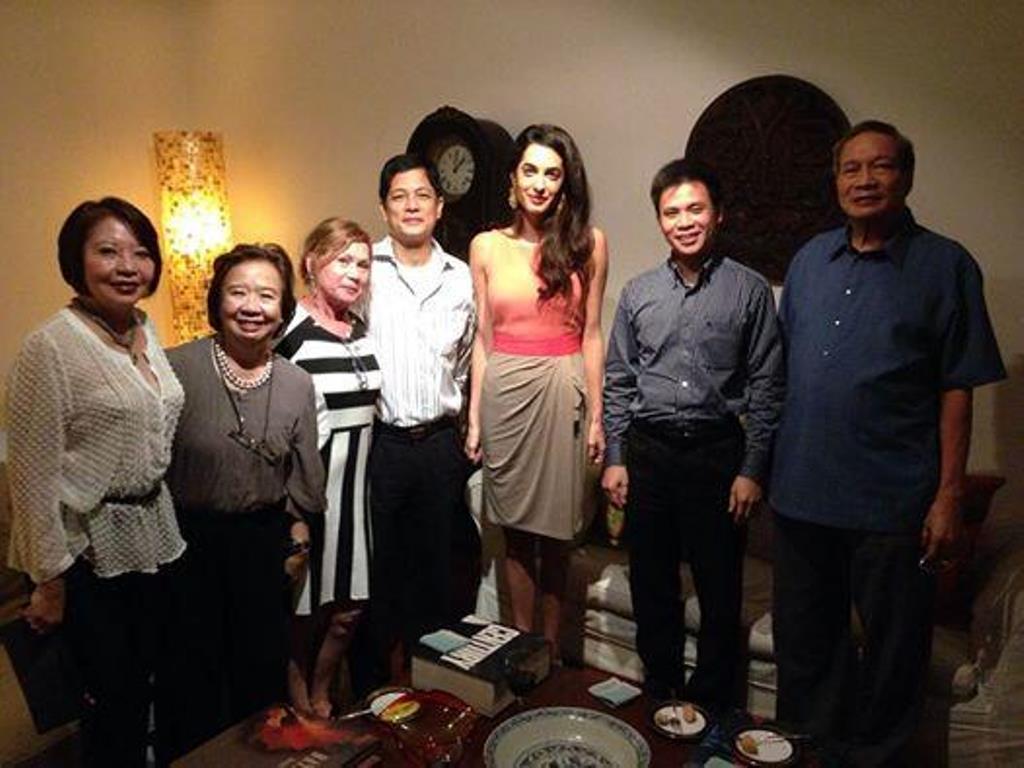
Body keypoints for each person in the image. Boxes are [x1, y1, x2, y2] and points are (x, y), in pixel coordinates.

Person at [770, 120, 1006, 766]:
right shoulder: (809, 261)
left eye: (881, 166)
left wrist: (949, 495)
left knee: (895, 656)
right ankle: (805, 754)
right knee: (805, 647)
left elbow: (957, 387)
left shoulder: (947, 266)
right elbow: (785, 374)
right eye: (851, 168)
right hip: (801, 495)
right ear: (836, 181)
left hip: (892, 503)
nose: (865, 180)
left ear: (906, 177)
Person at [6, 197, 184, 766]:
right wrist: (48, 581)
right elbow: (31, 475)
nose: (127, 266)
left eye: (140, 253)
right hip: (90, 551)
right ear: (76, 261)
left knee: (153, 685)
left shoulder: (142, 327)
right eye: (108, 252)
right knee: (112, 703)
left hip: (155, 537)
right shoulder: (50, 347)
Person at [602, 159, 783, 709]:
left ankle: (711, 703)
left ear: (717, 214)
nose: (684, 222)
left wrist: (752, 469)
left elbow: (768, 386)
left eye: (695, 209)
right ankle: (660, 691)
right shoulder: (638, 293)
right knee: (651, 582)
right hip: (649, 453)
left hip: (716, 455)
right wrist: (615, 456)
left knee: (719, 586)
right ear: (660, 220)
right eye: (672, 212)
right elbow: (618, 379)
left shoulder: (749, 291)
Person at [161, 244, 325, 757]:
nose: (252, 306)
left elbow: (303, 476)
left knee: (259, 672)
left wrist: (298, 536)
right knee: (192, 675)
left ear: (283, 308)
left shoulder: (297, 382)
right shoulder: (175, 368)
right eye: (238, 293)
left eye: (266, 295)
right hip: (187, 544)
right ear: (217, 300)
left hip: (261, 543)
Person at [465, 124, 608, 651]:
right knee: (515, 533)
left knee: (557, 535)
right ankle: (521, 646)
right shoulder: (485, 245)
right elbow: (483, 339)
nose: (540, 183)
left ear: (566, 182)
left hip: (562, 388)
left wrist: (597, 417)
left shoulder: (589, 244)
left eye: (552, 173)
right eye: (530, 170)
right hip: (504, 392)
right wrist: (475, 418)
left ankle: (548, 648)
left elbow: (592, 334)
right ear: (513, 177)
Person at [363, 153, 475, 690]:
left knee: (438, 569)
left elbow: (470, 360)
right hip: (379, 443)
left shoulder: (462, 277)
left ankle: (434, 685)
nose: (411, 206)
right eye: (399, 196)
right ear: (384, 207)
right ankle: (376, 687)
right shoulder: (363, 269)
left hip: (439, 444)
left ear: (440, 206)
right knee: (380, 568)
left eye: (422, 195)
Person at [277, 218, 381, 717]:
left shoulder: (360, 330)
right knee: (304, 608)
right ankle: (298, 693)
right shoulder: (289, 331)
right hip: (311, 491)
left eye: (363, 264)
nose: (354, 273)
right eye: (343, 260)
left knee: (349, 610)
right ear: (312, 262)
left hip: (357, 494)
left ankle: (323, 690)